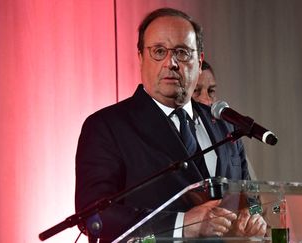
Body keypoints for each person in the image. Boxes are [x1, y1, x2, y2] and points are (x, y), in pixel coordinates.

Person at [75, 7, 266, 242]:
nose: (171, 63)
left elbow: (252, 197)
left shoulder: (224, 126)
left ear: (200, 60)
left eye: (182, 52)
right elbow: (95, 215)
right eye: (158, 51)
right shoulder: (106, 126)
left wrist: (254, 215)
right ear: (140, 57)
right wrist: (183, 224)